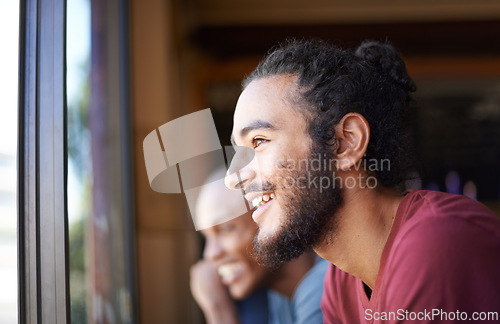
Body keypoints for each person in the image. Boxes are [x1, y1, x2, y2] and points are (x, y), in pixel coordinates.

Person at [225, 39, 500, 323]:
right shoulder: (340, 281)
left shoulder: (438, 242)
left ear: (345, 143)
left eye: (258, 141)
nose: (232, 178)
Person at [190, 167, 328, 324]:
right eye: (206, 237)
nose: (210, 254)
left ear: (268, 216)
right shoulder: (277, 296)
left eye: (225, 229)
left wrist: (219, 311)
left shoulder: (323, 288)